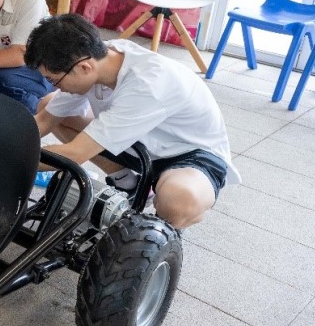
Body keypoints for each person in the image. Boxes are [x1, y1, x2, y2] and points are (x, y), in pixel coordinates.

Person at [25, 14, 240, 229]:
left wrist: (10, 162)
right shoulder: (100, 55)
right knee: (50, 105)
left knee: (177, 200)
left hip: (190, 155)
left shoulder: (147, 84)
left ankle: (163, 231)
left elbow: (75, 153)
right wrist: (2, 144)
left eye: (54, 80)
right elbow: (45, 120)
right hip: (139, 143)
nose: (54, 86)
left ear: (84, 68)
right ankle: (129, 183)